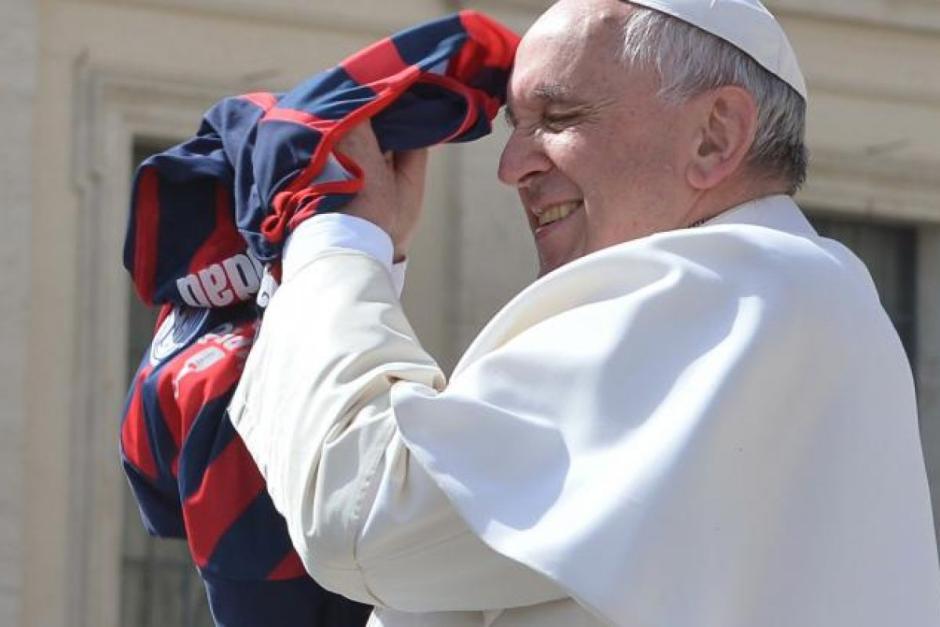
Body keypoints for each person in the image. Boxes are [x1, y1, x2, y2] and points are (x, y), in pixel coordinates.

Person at [228, 0, 940, 625]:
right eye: (515, 124)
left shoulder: (746, 289)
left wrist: (335, 237)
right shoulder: (785, 296)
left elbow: (363, 513)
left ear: (715, 134)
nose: (512, 166)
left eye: (559, 117)